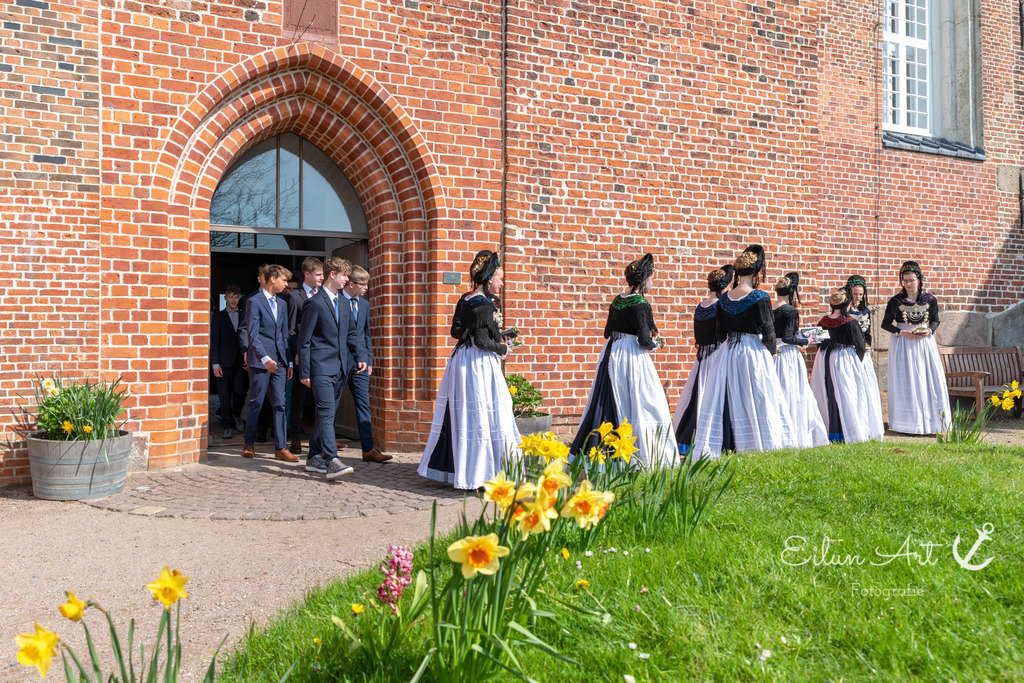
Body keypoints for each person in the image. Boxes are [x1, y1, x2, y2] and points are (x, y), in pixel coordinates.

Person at [418, 250, 520, 489]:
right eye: (500, 279)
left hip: (461, 360)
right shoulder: (484, 305)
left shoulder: (465, 298)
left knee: (464, 413)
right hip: (478, 365)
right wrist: (504, 348)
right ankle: (482, 473)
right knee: (482, 414)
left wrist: (479, 333)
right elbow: (484, 342)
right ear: (488, 279)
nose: (502, 283)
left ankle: (464, 468)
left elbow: (456, 332)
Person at [569, 253, 676, 468]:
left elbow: (607, 332)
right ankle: (646, 457)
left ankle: (601, 456)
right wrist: (658, 344)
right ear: (644, 278)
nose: (653, 281)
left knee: (608, 398)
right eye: (652, 277)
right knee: (640, 400)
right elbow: (645, 341)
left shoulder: (617, 300)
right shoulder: (641, 304)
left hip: (610, 353)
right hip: (630, 356)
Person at [691, 245, 797, 459]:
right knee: (756, 395)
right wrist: (771, 354)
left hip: (729, 352)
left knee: (729, 395)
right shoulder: (760, 297)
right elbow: (769, 331)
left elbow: (719, 332)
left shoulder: (724, 299)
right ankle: (755, 441)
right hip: (752, 351)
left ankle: (728, 442)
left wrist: (727, 348)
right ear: (757, 271)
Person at [299, 257, 369, 480]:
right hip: (320, 368)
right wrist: (305, 372)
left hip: (341, 368)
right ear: (332, 274)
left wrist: (360, 356)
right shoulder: (314, 303)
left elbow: (351, 334)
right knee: (328, 412)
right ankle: (331, 460)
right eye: (344, 275)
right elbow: (305, 340)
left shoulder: (345, 303)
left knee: (325, 414)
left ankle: (312, 457)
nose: (347, 279)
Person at [880, 260, 951, 434]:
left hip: (925, 343)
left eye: (911, 280)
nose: (908, 284)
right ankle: (906, 424)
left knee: (927, 379)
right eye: (905, 280)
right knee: (906, 380)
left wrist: (929, 330)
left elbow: (935, 320)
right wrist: (901, 332)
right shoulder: (896, 301)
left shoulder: (929, 299)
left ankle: (931, 423)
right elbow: (885, 324)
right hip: (903, 343)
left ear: (919, 279)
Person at [810, 289, 885, 443]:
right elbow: (860, 346)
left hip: (823, 359)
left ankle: (831, 431)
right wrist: (857, 364)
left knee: (827, 392)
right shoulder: (850, 322)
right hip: (843, 359)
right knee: (847, 394)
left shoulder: (823, 321)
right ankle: (849, 431)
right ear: (847, 304)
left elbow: (819, 342)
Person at [673, 265, 733, 455]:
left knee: (697, 396)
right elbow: (723, 333)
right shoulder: (721, 306)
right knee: (713, 397)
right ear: (724, 286)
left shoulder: (701, 306)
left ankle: (687, 440)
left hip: (702, 357)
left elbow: (698, 335)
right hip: (716, 355)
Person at [242, 264, 298, 462]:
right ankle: (249, 443)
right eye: (284, 280)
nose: (286, 284)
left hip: (281, 362)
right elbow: (253, 335)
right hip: (260, 362)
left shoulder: (282, 303)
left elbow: (284, 335)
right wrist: (264, 359)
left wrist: (289, 361)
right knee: (256, 402)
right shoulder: (253, 302)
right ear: (272, 279)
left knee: (281, 404)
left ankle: (280, 448)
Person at [772, 273, 828, 448]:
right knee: (792, 391)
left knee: (777, 392)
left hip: (772, 354)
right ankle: (793, 433)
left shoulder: (769, 308)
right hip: (787, 355)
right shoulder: (790, 311)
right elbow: (788, 338)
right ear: (791, 292)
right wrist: (806, 341)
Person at [342, 265, 391, 463]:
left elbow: (366, 335)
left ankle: (368, 449)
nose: (366, 287)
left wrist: (369, 360)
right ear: (351, 284)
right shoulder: (336, 301)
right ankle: (320, 449)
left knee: (363, 404)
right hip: (340, 361)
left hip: (361, 364)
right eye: (363, 284)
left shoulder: (364, 305)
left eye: (367, 284)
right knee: (329, 406)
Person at [287, 257, 324, 454]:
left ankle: (323, 440)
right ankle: (295, 438)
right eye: (318, 274)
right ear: (307, 274)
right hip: (302, 356)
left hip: (321, 356)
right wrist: (297, 353)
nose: (322, 278)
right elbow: (291, 329)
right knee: (299, 399)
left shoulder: (324, 294)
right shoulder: (295, 297)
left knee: (322, 399)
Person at [845, 274, 885, 430]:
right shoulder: (844, 311)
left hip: (863, 353)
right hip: (849, 352)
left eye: (860, 294)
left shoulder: (865, 311)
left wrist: (868, 345)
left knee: (865, 386)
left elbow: (867, 333)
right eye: (855, 294)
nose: (858, 297)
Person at [210, 285, 245, 439]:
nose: (233, 300)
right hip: (223, 362)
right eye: (230, 297)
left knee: (239, 391)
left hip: (241, 362)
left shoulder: (245, 314)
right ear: (225, 298)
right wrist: (215, 363)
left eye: (236, 297)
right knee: (223, 395)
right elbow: (214, 341)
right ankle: (226, 425)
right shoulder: (218, 316)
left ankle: (236, 415)